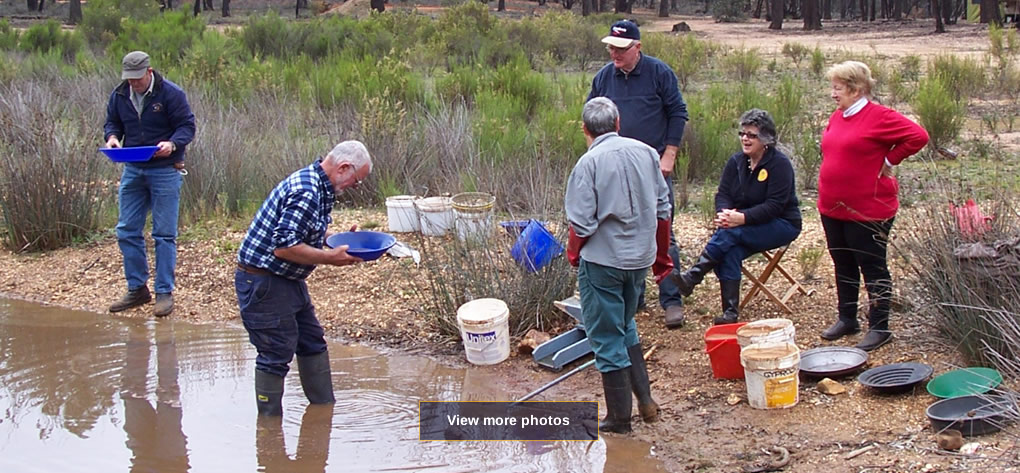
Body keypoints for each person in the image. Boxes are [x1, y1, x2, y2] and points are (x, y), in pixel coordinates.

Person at [235, 140, 372, 416]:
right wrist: (330, 258)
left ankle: (323, 412)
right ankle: (269, 431)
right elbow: (284, 247)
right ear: (344, 167)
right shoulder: (307, 190)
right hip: (264, 282)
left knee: (311, 342)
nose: (353, 188)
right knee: (274, 355)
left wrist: (334, 240)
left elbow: (302, 230)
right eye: (355, 182)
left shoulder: (320, 186)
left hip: (286, 280)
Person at [565, 97, 673, 434]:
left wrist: (573, 256)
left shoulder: (589, 162)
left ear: (585, 129)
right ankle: (646, 403)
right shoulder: (646, 153)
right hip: (638, 258)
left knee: (607, 338)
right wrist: (660, 257)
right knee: (625, 324)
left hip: (603, 261)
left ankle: (619, 420)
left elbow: (580, 224)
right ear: (617, 123)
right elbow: (662, 208)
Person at [817, 61, 929, 352]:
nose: (833, 94)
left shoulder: (879, 117)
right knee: (842, 262)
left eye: (837, 88)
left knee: (872, 265)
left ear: (855, 90)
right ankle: (847, 318)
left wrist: (890, 161)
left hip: (867, 209)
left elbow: (918, 136)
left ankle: (879, 326)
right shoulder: (838, 116)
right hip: (833, 207)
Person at [587, 20, 689, 329]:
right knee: (621, 229)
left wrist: (669, 154)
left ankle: (671, 300)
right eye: (610, 48)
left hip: (653, 166)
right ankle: (635, 297)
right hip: (613, 168)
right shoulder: (604, 78)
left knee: (661, 228)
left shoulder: (659, 73)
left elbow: (677, 113)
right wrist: (594, 159)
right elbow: (591, 119)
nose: (614, 54)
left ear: (637, 47)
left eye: (620, 48)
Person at [667, 109, 802, 325]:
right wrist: (724, 214)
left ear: (766, 139)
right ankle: (730, 313)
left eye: (752, 135)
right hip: (742, 225)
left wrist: (741, 218)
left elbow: (775, 206)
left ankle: (694, 275)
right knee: (730, 248)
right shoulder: (737, 161)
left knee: (732, 233)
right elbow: (723, 194)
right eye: (743, 134)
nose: (745, 139)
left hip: (781, 224)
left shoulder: (779, 164)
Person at [104, 50, 196, 318]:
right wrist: (112, 138)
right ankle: (137, 288)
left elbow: (187, 127)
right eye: (129, 79)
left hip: (165, 169)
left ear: (149, 71)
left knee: (164, 233)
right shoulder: (120, 94)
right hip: (133, 167)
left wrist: (172, 144)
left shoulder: (171, 94)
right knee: (126, 230)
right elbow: (113, 122)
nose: (134, 83)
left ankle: (164, 292)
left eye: (138, 78)